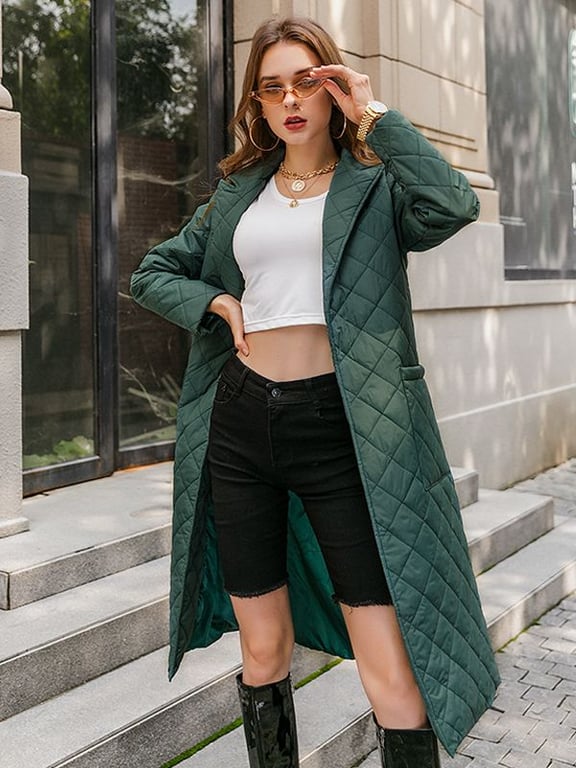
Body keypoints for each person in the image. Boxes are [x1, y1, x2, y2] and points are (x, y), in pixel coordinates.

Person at [131, 16, 500, 768]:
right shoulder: (238, 194)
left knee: (388, 666)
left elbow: (455, 205)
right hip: (241, 426)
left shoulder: (377, 186)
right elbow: (151, 272)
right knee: (263, 649)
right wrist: (216, 300)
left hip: (344, 429)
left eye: (307, 81)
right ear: (257, 104)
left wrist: (375, 115)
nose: (291, 100)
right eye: (273, 88)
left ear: (332, 88)